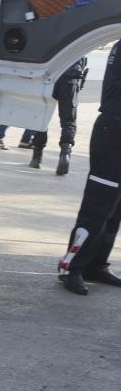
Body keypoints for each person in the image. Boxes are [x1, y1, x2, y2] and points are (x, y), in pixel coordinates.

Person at [59, 44, 121, 295]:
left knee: (115, 210)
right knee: (97, 207)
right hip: (114, 131)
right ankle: (71, 268)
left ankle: (95, 265)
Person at [28, 57, 88, 173]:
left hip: (48, 76)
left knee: (41, 116)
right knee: (69, 121)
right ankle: (65, 155)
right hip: (70, 78)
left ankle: (36, 157)